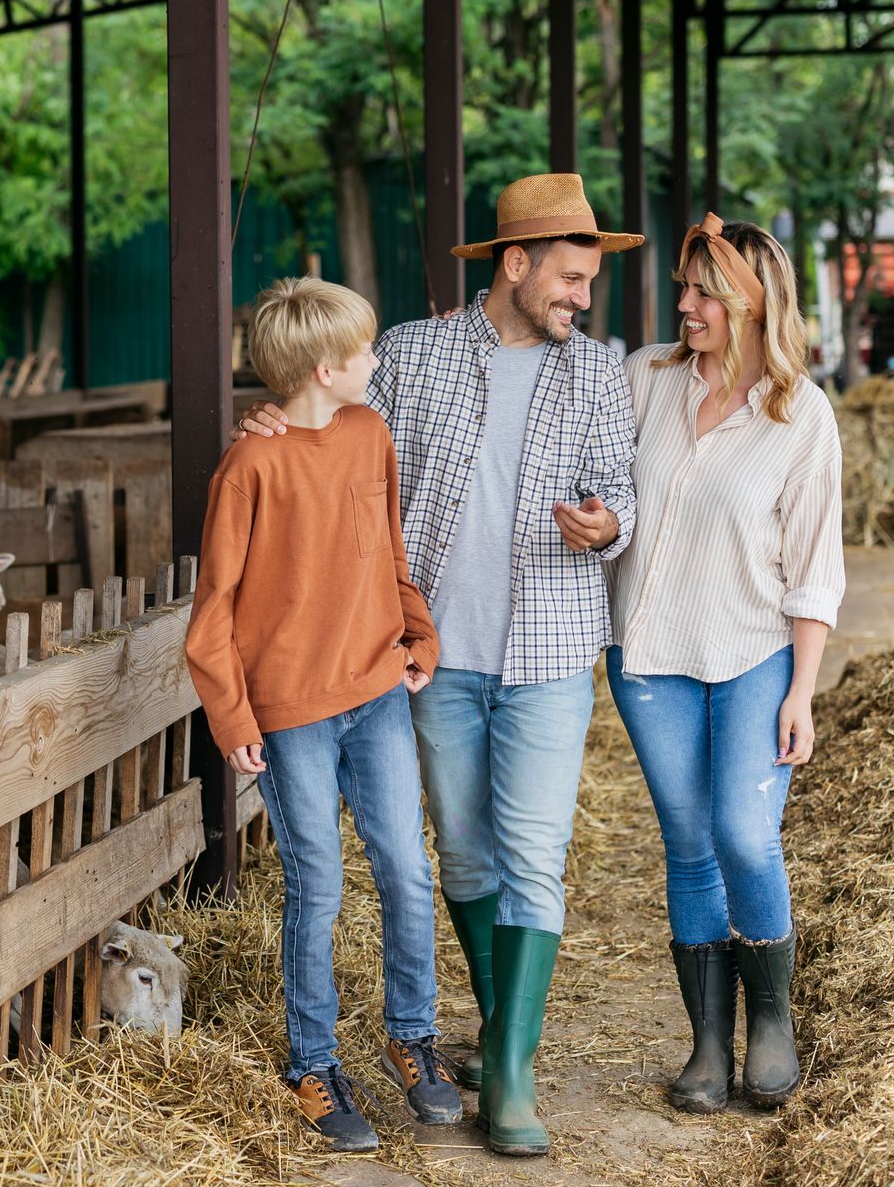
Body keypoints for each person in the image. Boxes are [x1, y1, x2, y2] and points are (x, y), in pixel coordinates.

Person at [236, 172, 641, 1156]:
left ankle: (507, 1072)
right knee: (461, 858)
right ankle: (495, 1031)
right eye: (570, 278)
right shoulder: (410, 356)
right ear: (515, 264)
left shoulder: (599, 371)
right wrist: (274, 426)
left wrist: (608, 526)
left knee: (535, 859)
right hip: (429, 659)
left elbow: (622, 486)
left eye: (589, 282)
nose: (582, 299)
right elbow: (329, 434)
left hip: (547, 649)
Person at [185, 278, 459, 1152]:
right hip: (291, 710)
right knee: (319, 882)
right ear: (322, 366)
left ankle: (411, 1036)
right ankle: (312, 1061)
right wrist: (233, 720)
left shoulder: (370, 433)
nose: (376, 362)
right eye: (366, 351)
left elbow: (390, 549)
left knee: (407, 871)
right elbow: (213, 612)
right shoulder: (250, 465)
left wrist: (419, 638)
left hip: (377, 689)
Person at [607, 214, 844, 1113]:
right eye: (683, 287)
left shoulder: (800, 414)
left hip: (753, 652)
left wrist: (803, 691)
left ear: (750, 301)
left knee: (745, 836)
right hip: (650, 654)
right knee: (688, 843)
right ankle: (709, 1043)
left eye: (704, 291)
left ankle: (771, 1023)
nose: (685, 305)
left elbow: (816, 565)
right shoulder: (647, 379)